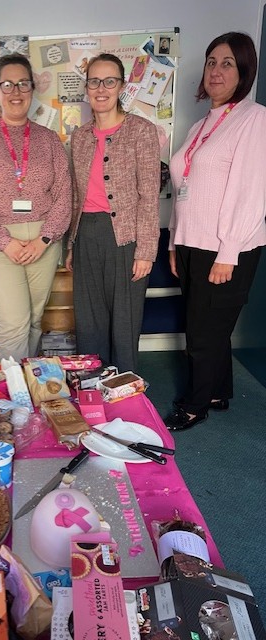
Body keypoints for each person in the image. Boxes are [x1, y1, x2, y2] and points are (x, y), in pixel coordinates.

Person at [164, 32, 266, 431]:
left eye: (227, 63)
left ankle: (194, 405)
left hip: (225, 247)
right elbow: (184, 192)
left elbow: (251, 192)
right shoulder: (202, 124)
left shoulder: (254, 119)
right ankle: (219, 391)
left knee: (203, 334)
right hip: (192, 243)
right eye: (211, 62)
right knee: (212, 327)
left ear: (244, 71)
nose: (216, 71)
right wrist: (175, 241)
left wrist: (229, 252)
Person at [0, 53, 72, 362]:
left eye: (23, 83)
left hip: (43, 242)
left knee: (35, 321)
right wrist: (4, 242)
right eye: (7, 84)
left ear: (33, 89)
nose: (15, 91)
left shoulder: (49, 139)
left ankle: (30, 385)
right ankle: (13, 401)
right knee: (14, 324)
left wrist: (45, 239)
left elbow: (64, 193)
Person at [66, 53, 160, 373]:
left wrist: (146, 251)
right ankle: (93, 392)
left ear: (121, 85)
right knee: (89, 322)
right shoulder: (79, 137)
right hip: (85, 236)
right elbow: (76, 197)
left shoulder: (141, 131)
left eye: (110, 81)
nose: (101, 88)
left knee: (123, 322)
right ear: (87, 87)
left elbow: (149, 195)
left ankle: (125, 395)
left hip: (125, 238)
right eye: (94, 81)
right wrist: (70, 245)